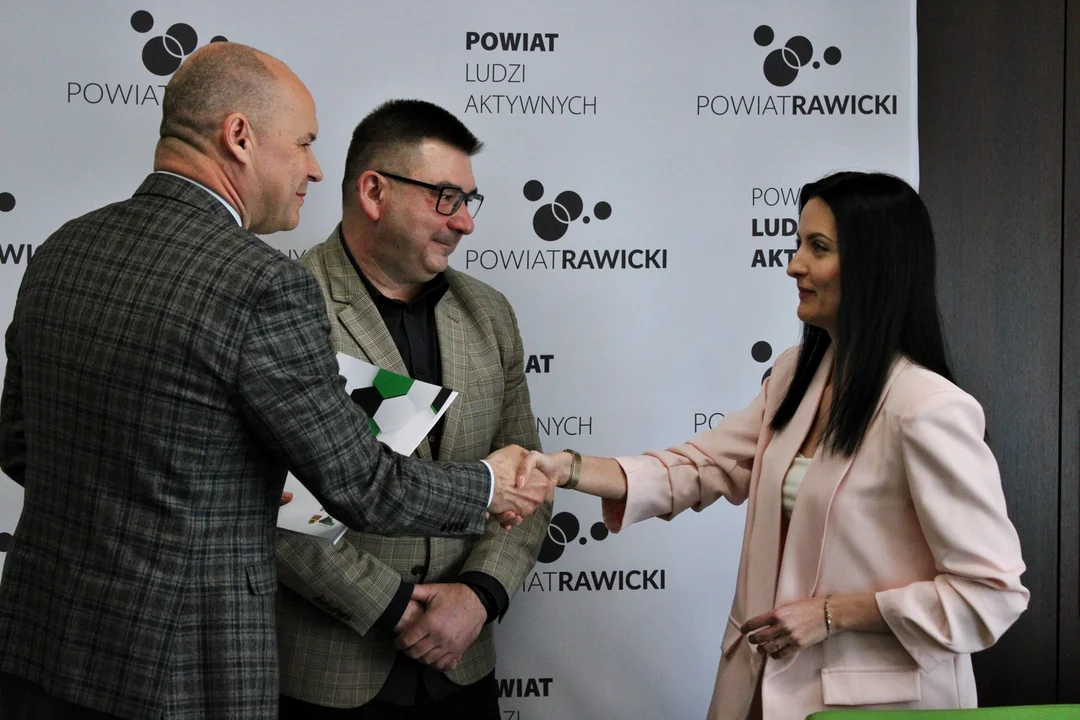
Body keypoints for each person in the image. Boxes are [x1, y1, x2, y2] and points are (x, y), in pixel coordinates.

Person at [0, 44, 548, 720]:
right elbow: (363, 486)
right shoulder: (264, 284)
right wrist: (490, 485)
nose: (315, 168)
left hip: (40, 646)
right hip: (181, 671)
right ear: (239, 137)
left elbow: (19, 446)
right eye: (304, 143)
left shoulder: (62, 247)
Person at [520, 171, 1029, 720]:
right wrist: (565, 468)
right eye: (798, 243)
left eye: (819, 247)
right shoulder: (794, 375)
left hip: (878, 706)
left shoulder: (928, 407)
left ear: (875, 265)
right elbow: (702, 467)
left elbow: (991, 594)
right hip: (759, 693)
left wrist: (835, 613)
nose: (793, 265)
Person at [275, 99, 550, 720]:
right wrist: (396, 606)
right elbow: (270, 503)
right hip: (328, 677)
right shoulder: (288, 306)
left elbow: (529, 479)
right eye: (446, 198)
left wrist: (478, 596)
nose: (466, 223)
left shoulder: (490, 313)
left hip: (462, 666)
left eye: (469, 201)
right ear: (375, 192)